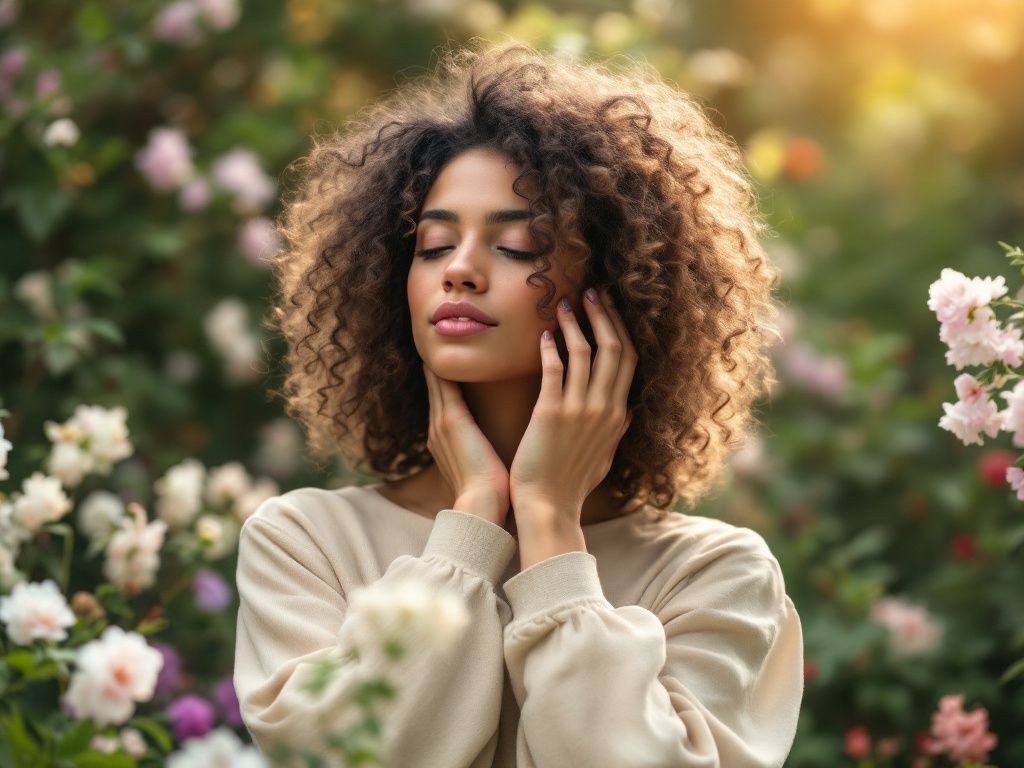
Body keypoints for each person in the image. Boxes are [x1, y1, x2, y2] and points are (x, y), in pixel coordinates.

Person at [233, 39, 803, 767]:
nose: (462, 271)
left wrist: (548, 520)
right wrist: (473, 516)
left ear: (620, 287)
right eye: (434, 246)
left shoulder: (713, 574)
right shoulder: (307, 542)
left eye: (521, 246)